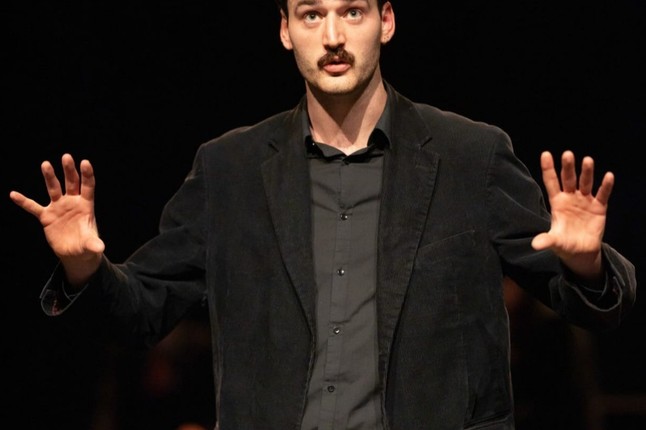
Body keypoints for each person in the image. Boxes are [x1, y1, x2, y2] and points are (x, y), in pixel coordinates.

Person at [9, 0, 637, 429]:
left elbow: (589, 306)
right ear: (285, 29)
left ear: (386, 21)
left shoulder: (470, 156)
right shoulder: (229, 169)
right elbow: (142, 311)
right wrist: (86, 270)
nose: (333, 36)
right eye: (312, 14)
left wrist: (587, 265)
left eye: (352, 12)